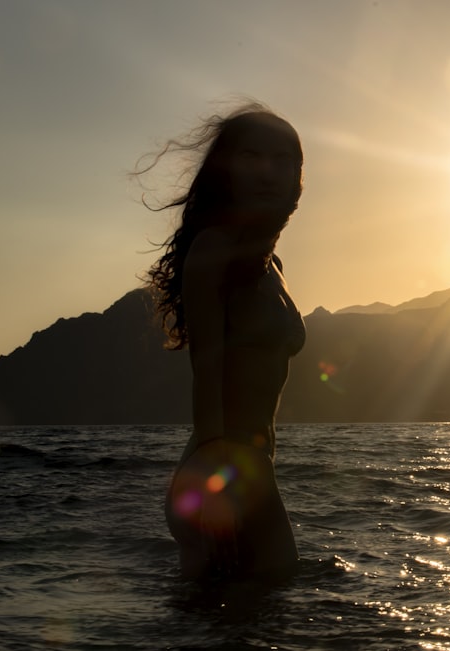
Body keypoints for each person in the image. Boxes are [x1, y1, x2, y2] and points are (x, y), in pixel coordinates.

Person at [142, 103, 306, 581]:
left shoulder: (270, 266)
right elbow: (207, 368)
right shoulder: (214, 248)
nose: (267, 171)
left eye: (283, 160)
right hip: (222, 467)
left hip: (248, 469)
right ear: (226, 169)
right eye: (251, 156)